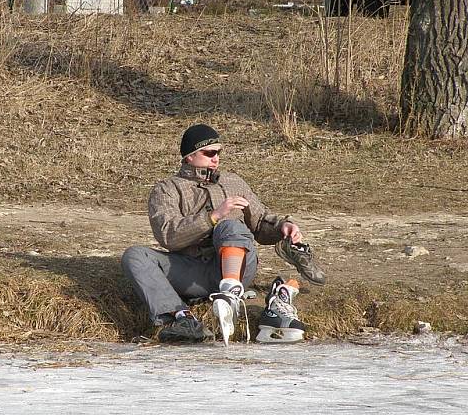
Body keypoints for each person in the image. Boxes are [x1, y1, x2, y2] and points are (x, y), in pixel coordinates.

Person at [121, 124, 325, 345]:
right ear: (189, 156)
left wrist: (283, 227)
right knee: (135, 256)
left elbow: (260, 221)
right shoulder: (167, 189)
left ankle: (231, 294)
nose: (215, 158)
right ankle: (180, 319)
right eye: (209, 153)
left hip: (238, 269)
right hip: (193, 271)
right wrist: (213, 216)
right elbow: (169, 236)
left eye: (218, 152)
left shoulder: (233, 181)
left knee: (230, 226)